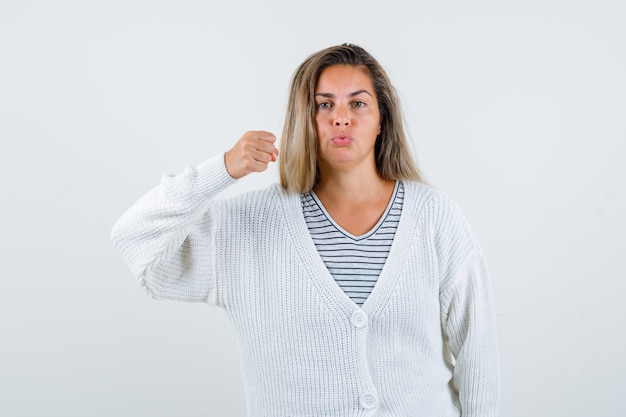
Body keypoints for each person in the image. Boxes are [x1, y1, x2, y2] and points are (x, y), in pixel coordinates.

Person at [111, 43, 500, 417]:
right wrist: (222, 169)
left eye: (359, 103)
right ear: (304, 120)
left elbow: (477, 350)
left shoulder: (434, 217)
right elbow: (135, 240)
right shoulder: (246, 227)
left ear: (383, 119)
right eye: (324, 104)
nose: (341, 117)